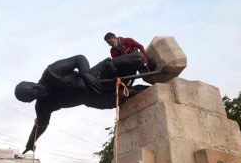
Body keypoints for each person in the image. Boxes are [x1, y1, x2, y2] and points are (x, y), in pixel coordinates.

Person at [15, 53, 148, 154]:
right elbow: (41, 125)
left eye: (31, 86)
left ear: (31, 83)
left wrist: (86, 74)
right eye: (30, 94)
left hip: (95, 76)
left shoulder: (51, 73)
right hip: (93, 99)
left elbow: (78, 59)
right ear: (30, 100)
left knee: (135, 59)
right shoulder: (43, 106)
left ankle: (150, 70)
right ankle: (146, 90)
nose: (34, 89)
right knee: (126, 95)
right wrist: (30, 143)